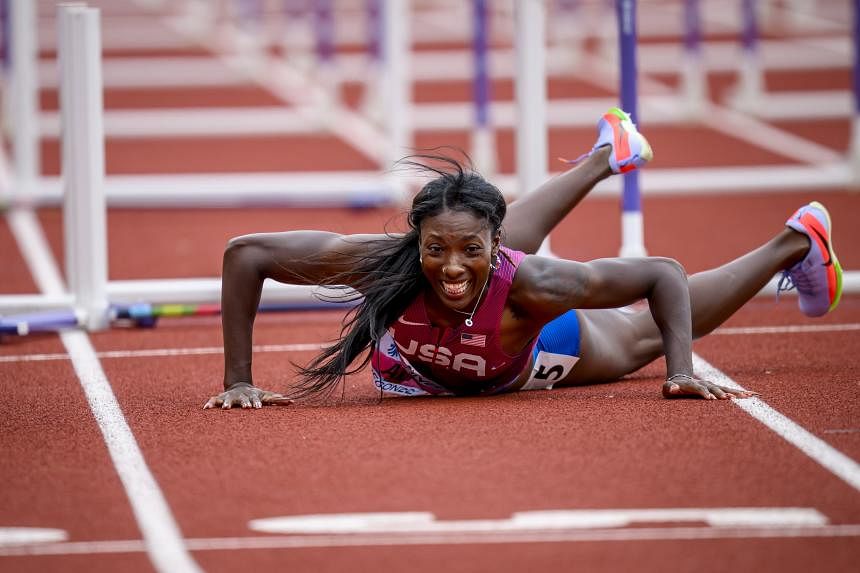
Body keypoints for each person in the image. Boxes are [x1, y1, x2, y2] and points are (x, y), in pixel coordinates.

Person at [203, 108, 843, 410]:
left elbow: (661, 274)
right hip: (429, 365)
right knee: (465, 246)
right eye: (434, 250)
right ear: (413, 240)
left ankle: (797, 240)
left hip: (534, 353)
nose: (450, 267)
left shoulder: (536, 282)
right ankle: (605, 156)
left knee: (644, 332)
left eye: (471, 252)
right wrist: (237, 380)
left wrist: (679, 370)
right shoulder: (388, 259)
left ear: (496, 247)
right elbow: (246, 254)